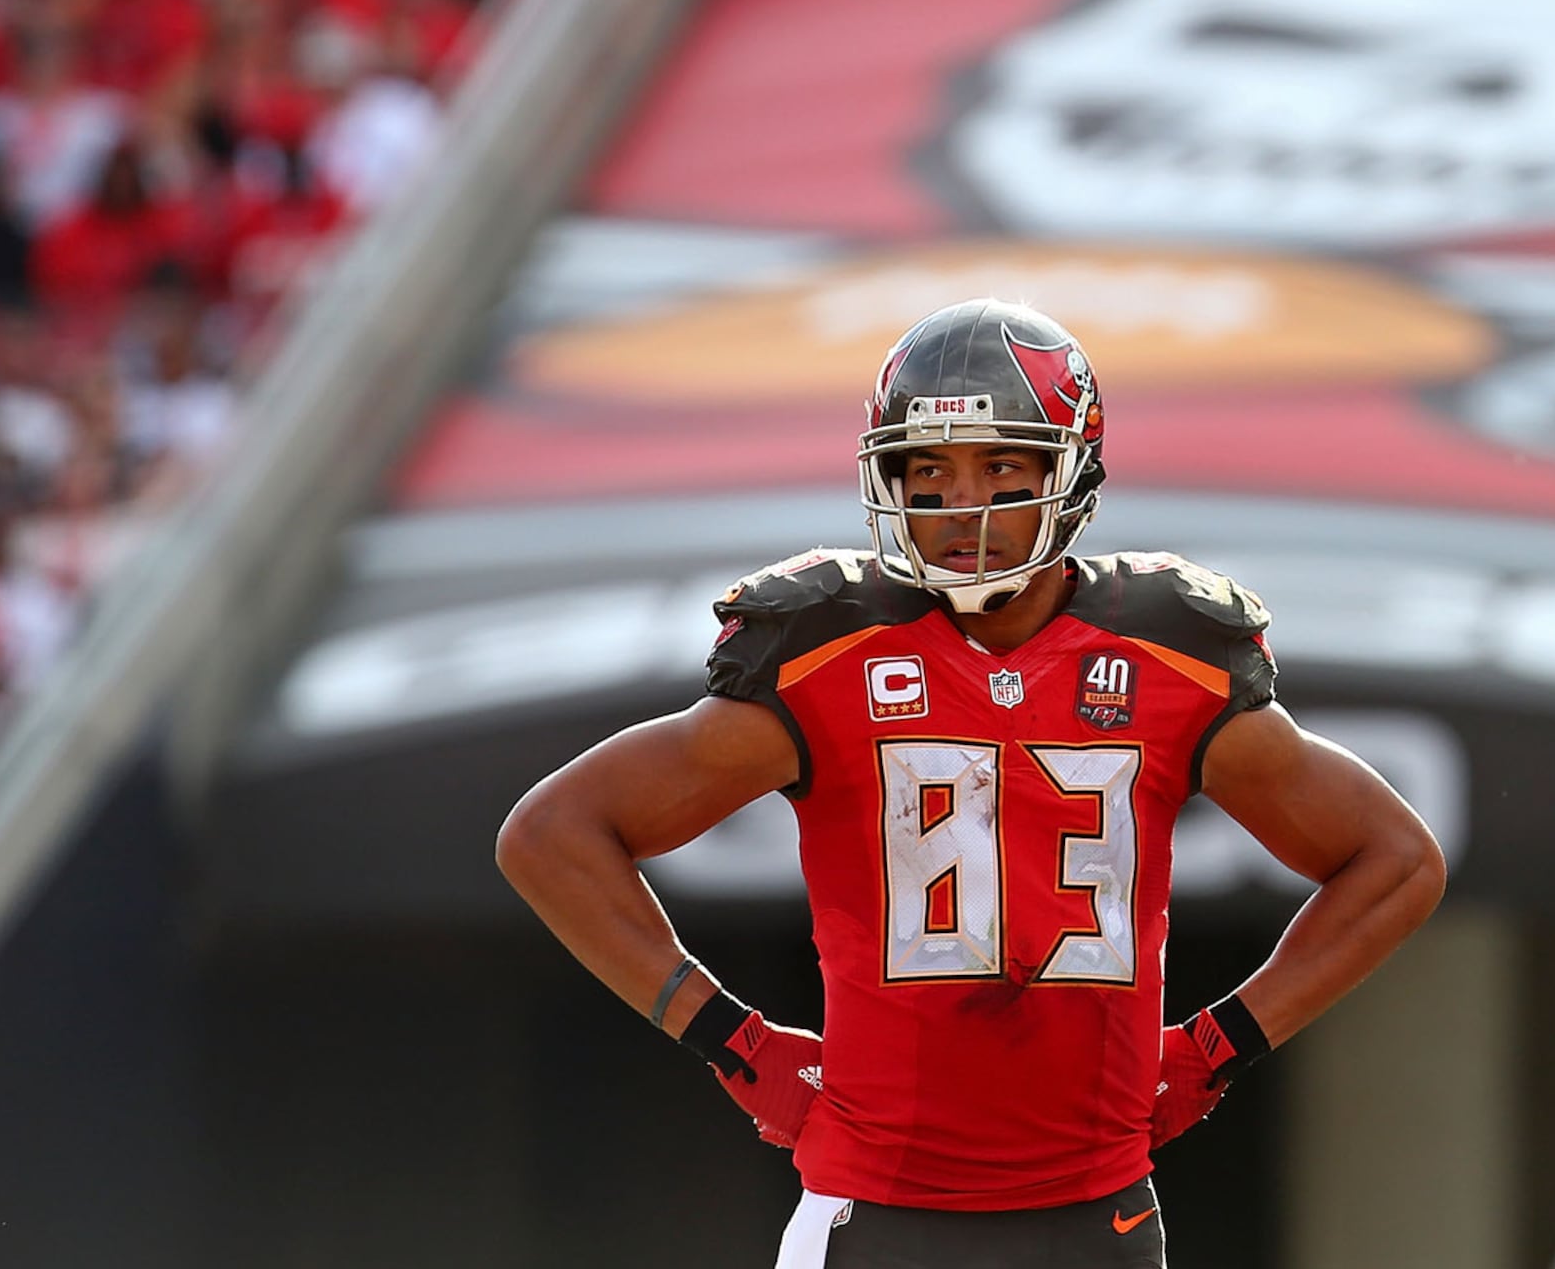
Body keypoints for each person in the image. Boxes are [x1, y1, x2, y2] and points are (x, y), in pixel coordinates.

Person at [496, 298, 1445, 1266]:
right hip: (876, 1215)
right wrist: (728, 1037)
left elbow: (1396, 860)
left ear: (1067, 472)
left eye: (1001, 466)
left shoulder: (1172, 657)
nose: (965, 505)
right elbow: (553, 835)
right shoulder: (829, 654)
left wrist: (1221, 1042)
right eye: (930, 471)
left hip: (1098, 1218)